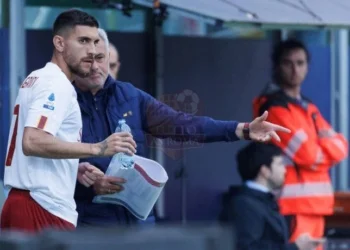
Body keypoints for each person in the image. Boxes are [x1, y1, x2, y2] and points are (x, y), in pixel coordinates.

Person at [73, 28, 291, 227]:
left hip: (138, 223)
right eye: (87, 59)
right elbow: (44, 162)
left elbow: (182, 124)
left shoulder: (130, 96)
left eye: (101, 58)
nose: (95, 67)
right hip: (90, 222)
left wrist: (241, 129)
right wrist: (85, 184)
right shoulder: (64, 100)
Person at [1, 10, 137, 233]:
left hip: (30, 203)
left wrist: (72, 166)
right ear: (60, 43)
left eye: (94, 42)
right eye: (83, 41)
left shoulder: (41, 77)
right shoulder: (56, 84)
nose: (92, 51)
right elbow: (33, 141)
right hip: (41, 207)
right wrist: (99, 147)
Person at [253, 39, 348, 250]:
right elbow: (308, 155)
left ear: (307, 66)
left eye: (300, 63)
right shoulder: (274, 108)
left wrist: (319, 151)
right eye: (288, 63)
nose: (295, 69)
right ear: (277, 66)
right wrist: (324, 150)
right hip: (291, 205)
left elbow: (342, 148)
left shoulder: (308, 106)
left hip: (315, 206)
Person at [229, 142, 325, 250]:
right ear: (265, 171)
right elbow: (247, 247)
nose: (284, 170)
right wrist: (295, 247)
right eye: (280, 164)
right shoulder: (245, 205)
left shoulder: (262, 201)